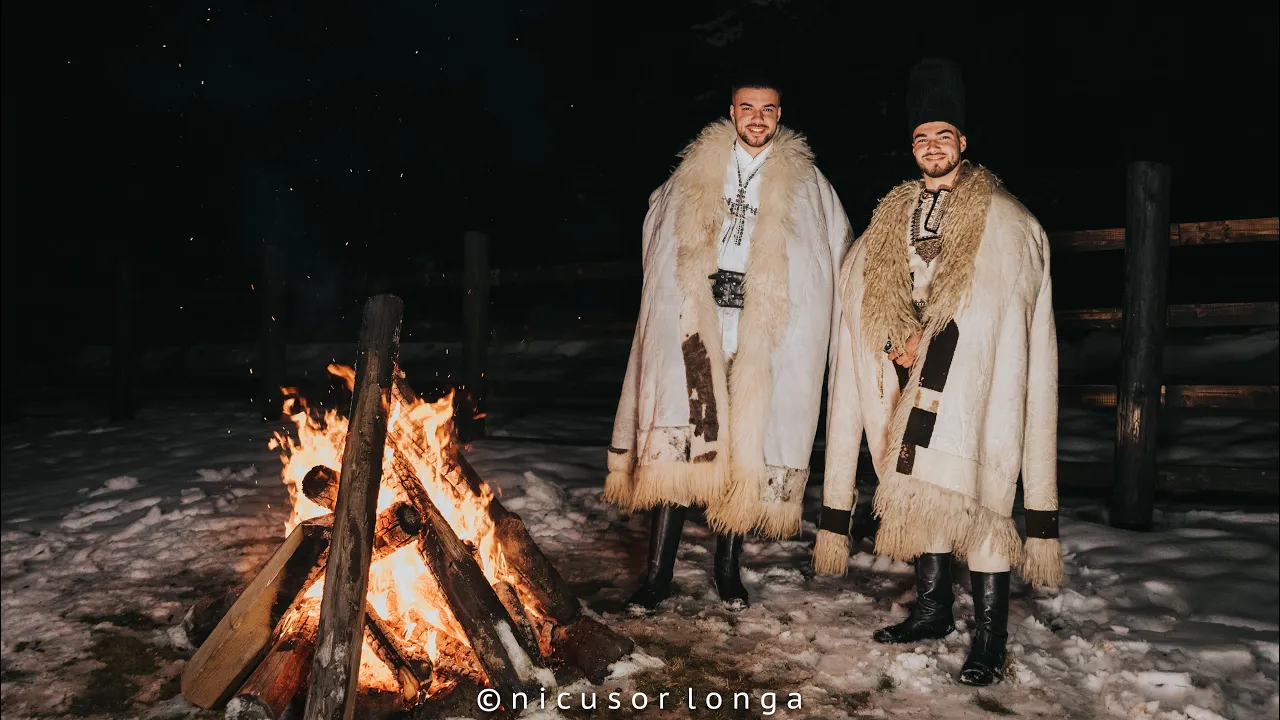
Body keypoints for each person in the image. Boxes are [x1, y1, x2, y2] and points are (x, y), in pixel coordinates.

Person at [814, 57, 1063, 686]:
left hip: (972, 387)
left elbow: (993, 304)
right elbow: (868, 288)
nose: (932, 147)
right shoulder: (892, 216)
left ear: (963, 142)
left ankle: (990, 638)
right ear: (913, 147)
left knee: (979, 503)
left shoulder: (1006, 221)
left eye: (943, 136)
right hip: (908, 383)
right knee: (922, 494)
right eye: (922, 138)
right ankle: (932, 611)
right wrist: (892, 336)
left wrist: (925, 341)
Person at [605, 74, 852, 611]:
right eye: (748, 108)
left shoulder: (809, 184)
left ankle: (727, 572)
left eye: (768, 109)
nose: (757, 118)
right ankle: (657, 576)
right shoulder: (695, 171)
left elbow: (831, 256)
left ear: (779, 114)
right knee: (681, 443)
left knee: (744, 446)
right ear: (733, 111)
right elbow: (658, 235)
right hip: (699, 324)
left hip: (763, 331)